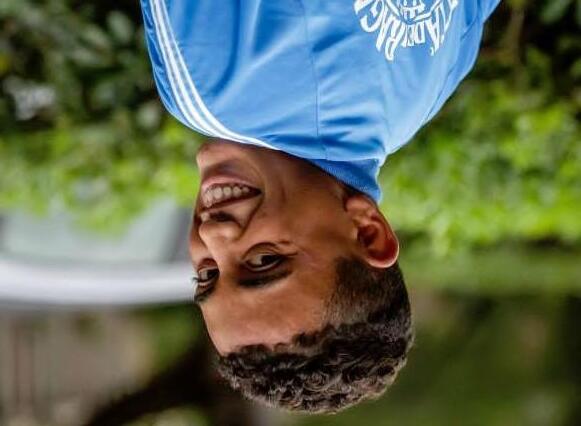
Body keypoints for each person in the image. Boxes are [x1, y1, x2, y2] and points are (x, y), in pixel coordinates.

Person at [140, 0, 501, 413]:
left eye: (206, 276)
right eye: (264, 260)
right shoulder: (213, 90)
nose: (211, 235)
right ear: (368, 232)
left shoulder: (432, 85)